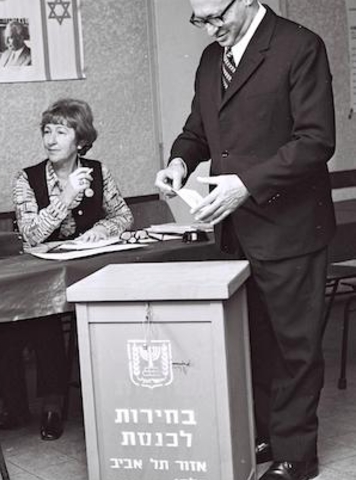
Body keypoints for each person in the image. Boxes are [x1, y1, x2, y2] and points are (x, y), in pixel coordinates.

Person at [154, 2, 335, 480]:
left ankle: (296, 455)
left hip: (290, 226)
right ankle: (265, 434)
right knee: (251, 340)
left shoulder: (299, 46)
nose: (210, 29)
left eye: (217, 16)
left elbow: (316, 141)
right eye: (199, 20)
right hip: (236, 231)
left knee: (295, 346)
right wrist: (178, 161)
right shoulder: (212, 58)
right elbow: (198, 131)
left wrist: (245, 184)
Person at [0, 98, 133, 440]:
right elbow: (31, 233)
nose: (51, 140)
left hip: (87, 272)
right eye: (47, 131)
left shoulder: (98, 171)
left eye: (61, 131)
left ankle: (62, 402)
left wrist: (102, 230)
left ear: (80, 139)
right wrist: (66, 196)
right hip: (39, 276)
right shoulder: (27, 179)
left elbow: (123, 215)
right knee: (38, 316)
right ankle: (25, 404)